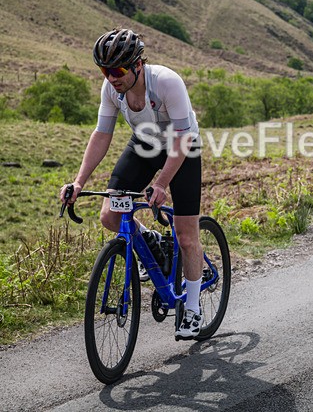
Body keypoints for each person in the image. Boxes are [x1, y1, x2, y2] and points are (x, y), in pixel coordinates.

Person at [59, 28, 205, 340]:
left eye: (117, 70)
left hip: (183, 148)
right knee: (110, 215)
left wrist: (162, 183)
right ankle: (152, 241)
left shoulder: (167, 82)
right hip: (144, 145)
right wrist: (79, 182)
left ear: (138, 65)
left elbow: (182, 139)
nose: (111, 77)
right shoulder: (111, 89)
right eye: (104, 70)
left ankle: (192, 308)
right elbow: (102, 134)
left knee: (186, 235)